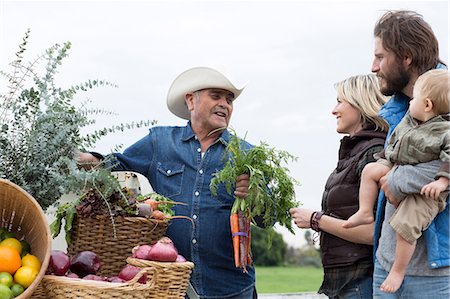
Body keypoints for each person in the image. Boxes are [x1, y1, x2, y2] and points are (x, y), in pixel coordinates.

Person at [78, 66, 259, 298]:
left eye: (230, 99)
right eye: (216, 96)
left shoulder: (245, 154)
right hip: (172, 285)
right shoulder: (160, 142)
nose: (225, 104)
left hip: (232, 288)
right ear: (191, 100)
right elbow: (116, 164)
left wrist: (253, 196)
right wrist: (82, 159)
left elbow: (268, 218)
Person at [343, 69, 450, 292]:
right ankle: (364, 211)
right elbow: (394, 142)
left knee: (406, 225)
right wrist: (387, 162)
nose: (410, 102)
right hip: (397, 163)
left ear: (427, 105)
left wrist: (441, 181)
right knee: (370, 170)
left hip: (426, 195)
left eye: (415, 98)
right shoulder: (410, 120)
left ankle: (398, 270)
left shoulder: (444, 130)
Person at [369, 10, 450, 298]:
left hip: (436, 273)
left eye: (380, 57)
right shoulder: (397, 110)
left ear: (406, 57)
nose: (374, 67)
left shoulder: (446, 97)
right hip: (386, 264)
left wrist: (397, 179)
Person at [290, 74, 388, 298]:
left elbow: (374, 233)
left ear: (360, 102)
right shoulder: (355, 152)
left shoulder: (373, 154)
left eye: (340, 101)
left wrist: (316, 220)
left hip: (360, 281)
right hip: (346, 282)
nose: (334, 110)